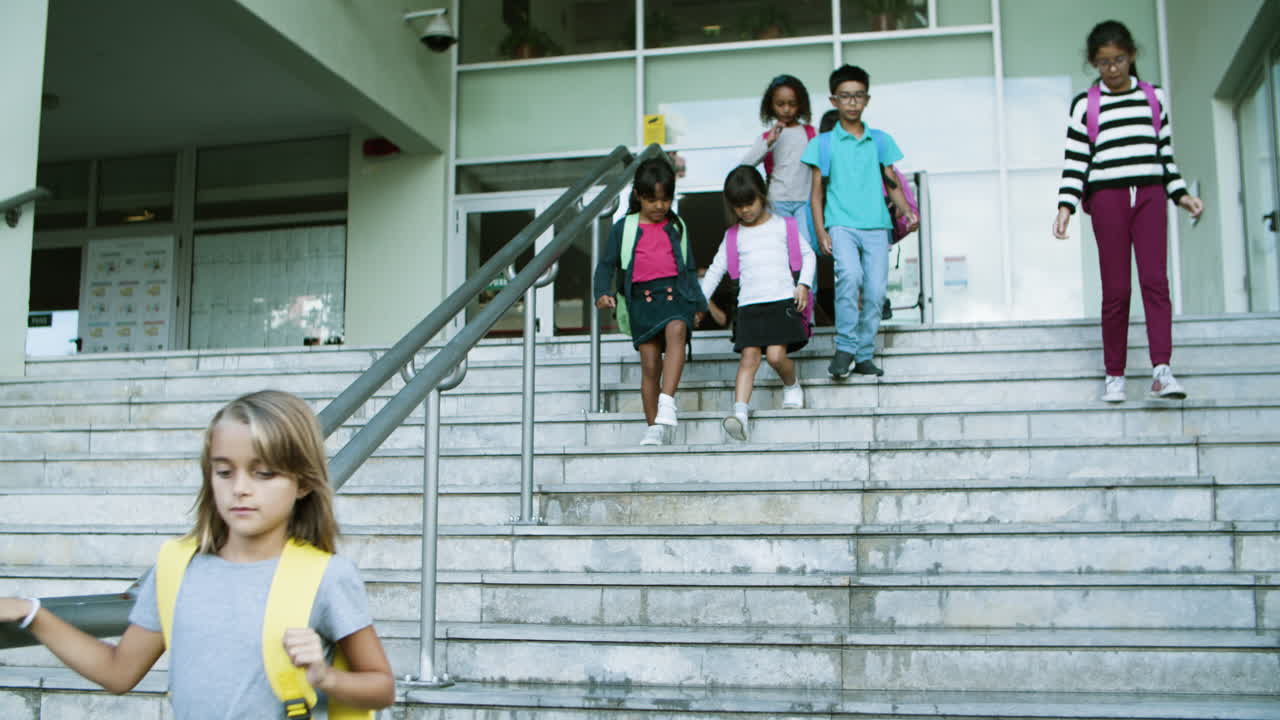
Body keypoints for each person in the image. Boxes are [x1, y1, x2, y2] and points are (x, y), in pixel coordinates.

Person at [0, 390, 395, 719]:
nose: (240, 488)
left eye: (264, 473)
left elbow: (382, 687)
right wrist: (33, 615)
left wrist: (324, 677)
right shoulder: (177, 566)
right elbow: (118, 672)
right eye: (224, 472)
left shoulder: (326, 576)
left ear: (304, 483)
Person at [1052, 20, 1204, 402]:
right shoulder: (1086, 105)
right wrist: (1065, 206)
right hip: (1108, 199)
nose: (1113, 69)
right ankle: (1115, 375)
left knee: (1155, 281)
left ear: (1132, 55)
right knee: (1117, 289)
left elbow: (1165, 155)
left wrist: (1181, 194)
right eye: (1104, 63)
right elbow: (1076, 160)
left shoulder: (1155, 97)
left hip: (1151, 196)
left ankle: (1162, 371)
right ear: (1093, 63)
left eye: (1119, 59)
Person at [802, 64, 917, 379]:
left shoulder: (880, 141)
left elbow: (891, 181)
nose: (852, 102)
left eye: (857, 96)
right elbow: (816, 193)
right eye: (845, 97)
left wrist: (906, 211)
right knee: (849, 277)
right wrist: (821, 230)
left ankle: (864, 354)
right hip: (841, 224)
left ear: (866, 99)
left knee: (877, 291)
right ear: (834, 100)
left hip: (877, 226)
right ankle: (845, 348)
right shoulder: (823, 144)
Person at [594, 157, 708, 446]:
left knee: (677, 331)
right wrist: (600, 292)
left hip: (674, 295)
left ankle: (667, 402)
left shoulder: (677, 225)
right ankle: (654, 427)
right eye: (652, 200)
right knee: (649, 366)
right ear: (638, 196)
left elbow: (689, 267)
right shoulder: (625, 227)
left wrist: (697, 303)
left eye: (665, 200)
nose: (659, 206)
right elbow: (606, 264)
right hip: (641, 302)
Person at [699, 166, 815, 442]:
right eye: (738, 206)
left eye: (749, 203)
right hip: (749, 306)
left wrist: (804, 284)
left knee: (775, 356)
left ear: (762, 196)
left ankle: (792, 385)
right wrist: (699, 301)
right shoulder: (733, 235)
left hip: (781, 302)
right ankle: (740, 415)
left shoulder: (783, 226)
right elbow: (716, 270)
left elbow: (808, 256)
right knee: (748, 359)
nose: (745, 211)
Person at [741, 74, 818, 250]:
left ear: (801, 105)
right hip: (777, 201)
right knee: (781, 249)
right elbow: (745, 166)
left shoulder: (812, 133)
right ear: (771, 106)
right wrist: (768, 142)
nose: (786, 109)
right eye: (780, 104)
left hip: (804, 202)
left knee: (806, 248)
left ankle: (805, 279)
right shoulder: (767, 138)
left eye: (792, 104)